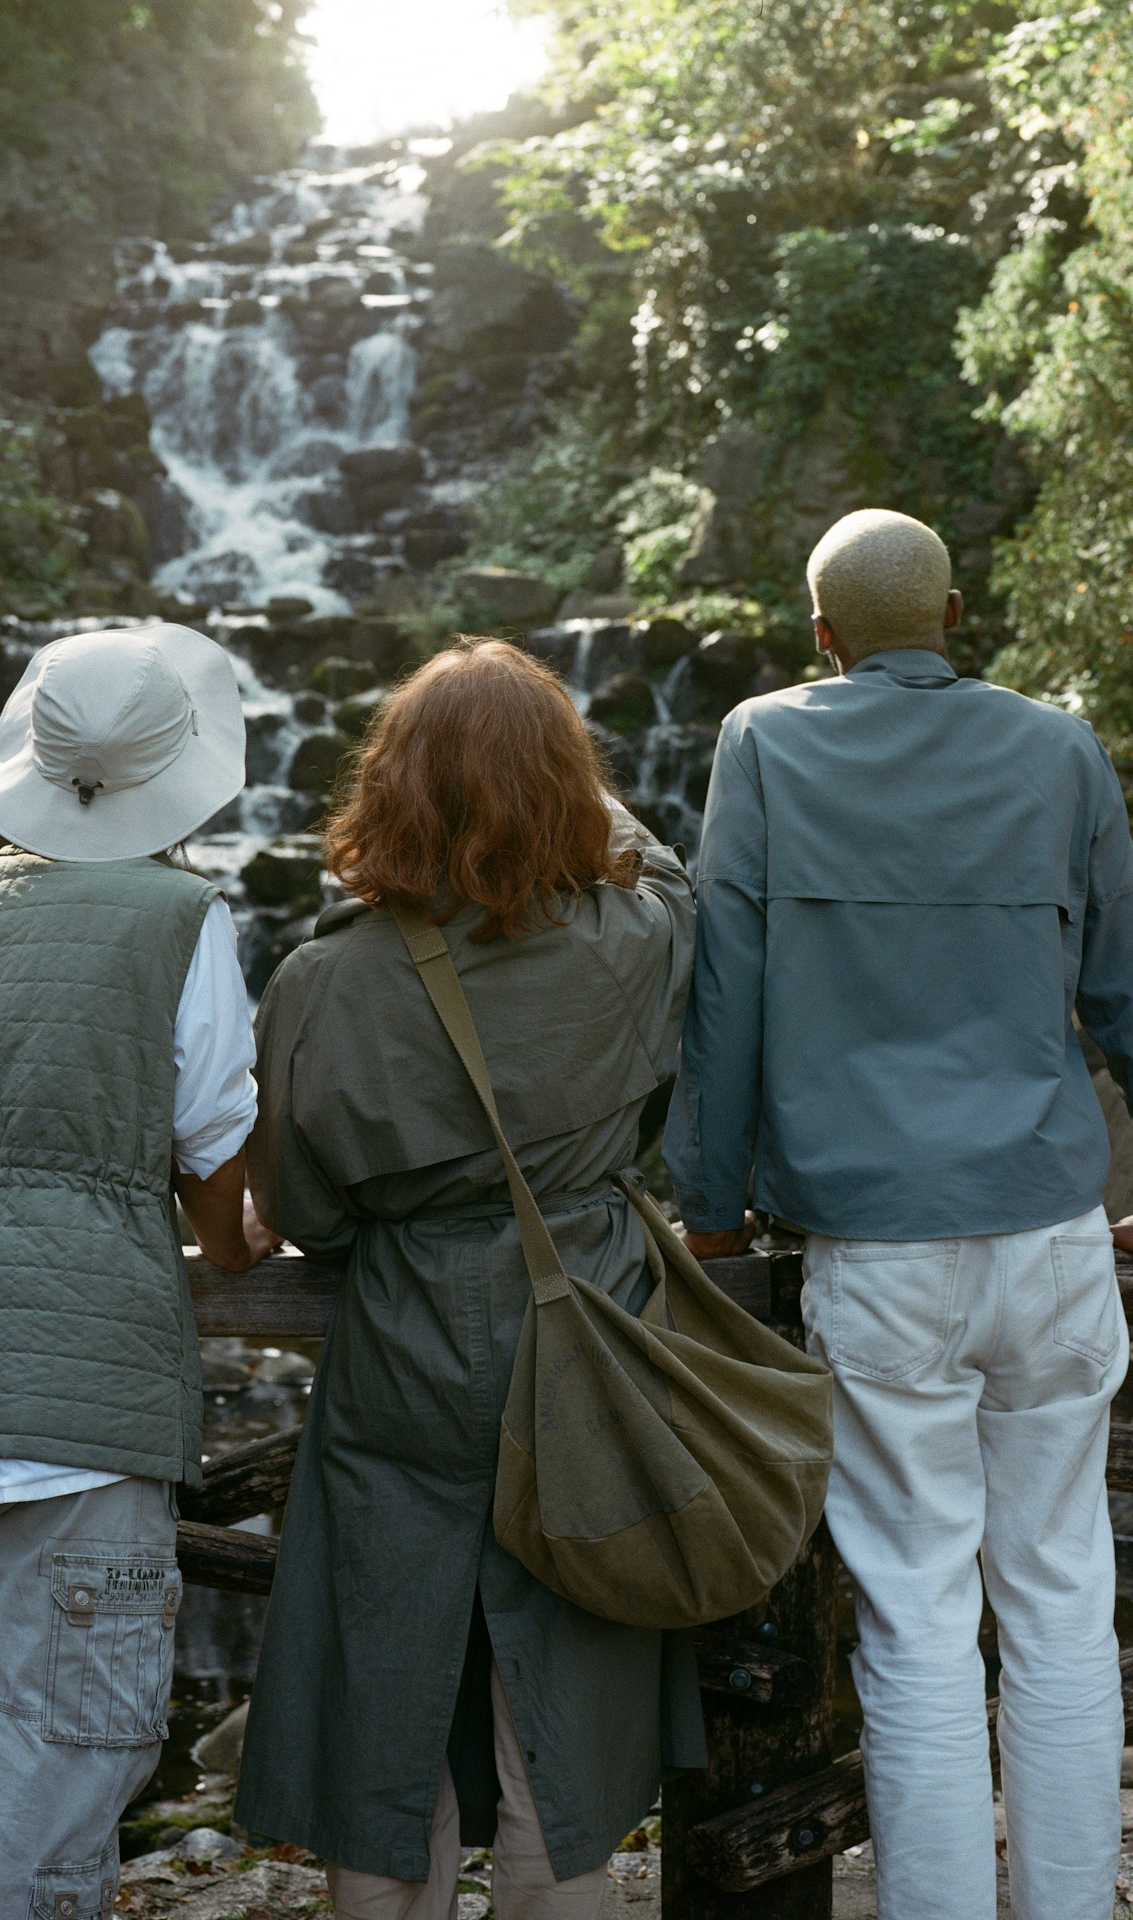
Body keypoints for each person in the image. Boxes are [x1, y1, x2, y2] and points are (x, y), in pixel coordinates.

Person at [664, 508, 1132, 1920]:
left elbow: (725, 992)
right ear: (954, 612)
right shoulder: (1060, 750)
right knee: (1061, 1598)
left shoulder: (765, 742)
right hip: (1048, 1230)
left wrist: (712, 1207)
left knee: (918, 1614)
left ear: (822, 633)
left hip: (873, 1252)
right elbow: (1122, 994)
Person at [234, 638, 706, 1920]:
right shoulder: (632, 942)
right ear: (566, 784)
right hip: (583, 1345)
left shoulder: (319, 981)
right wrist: (575, 799)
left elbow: (304, 1213)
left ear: (384, 792)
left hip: (401, 1349)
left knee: (379, 1715)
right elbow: (669, 874)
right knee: (558, 1744)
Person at [0, 624, 278, 1920]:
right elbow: (214, 1141)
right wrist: (226, 1245)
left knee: (35, 1733)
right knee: (69, 1746)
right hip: (83, 1407)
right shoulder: (180, 918)